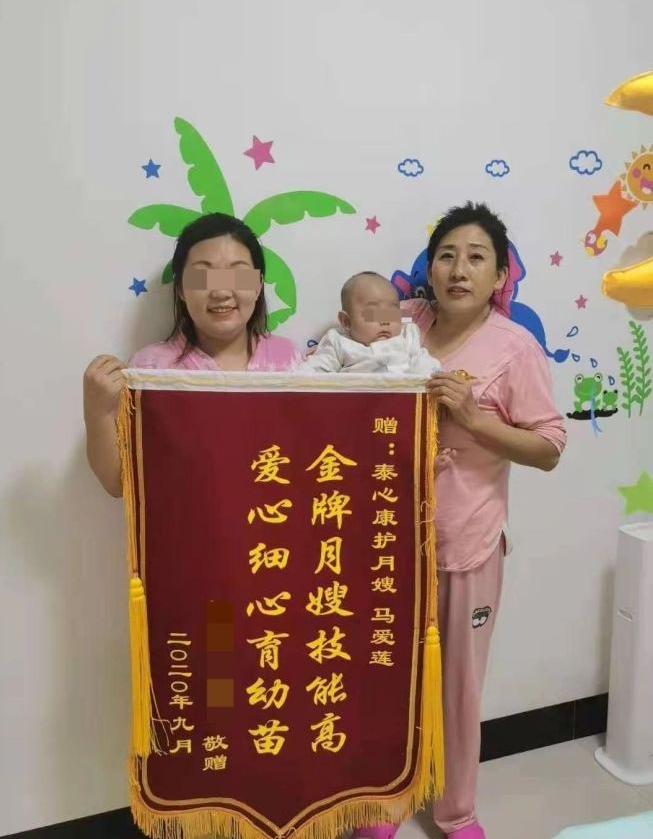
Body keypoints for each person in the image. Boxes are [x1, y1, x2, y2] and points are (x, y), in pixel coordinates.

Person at [351, 203, 567, 839]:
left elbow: (549, 448)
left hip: (466, 544)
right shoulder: (401, 323)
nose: (458, 269)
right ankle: (384, 802)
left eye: (476, 258)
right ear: (430, 268)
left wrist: (473, 419)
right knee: (384, 677)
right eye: (446, 255)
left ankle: (456, 810)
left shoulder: (515, 348)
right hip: (386, 542)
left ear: (499, 276)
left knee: (458, 688)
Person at [82, 213, 301, 497]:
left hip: (272, 521)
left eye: (238, 274)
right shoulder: (152, 368)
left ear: (258, 285)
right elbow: (119, 483)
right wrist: (98, 411)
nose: (221, 291)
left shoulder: (288, 358)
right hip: (185, 524)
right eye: (203, 277)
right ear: (181, 289)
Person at [301, 271, 440, 375]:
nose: (385, 320)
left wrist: (436, 377)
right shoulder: (339, 342)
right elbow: (313, 371)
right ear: (347, 321)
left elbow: (426, 366)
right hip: (354, 400)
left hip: (399, 401)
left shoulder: (406, 337)